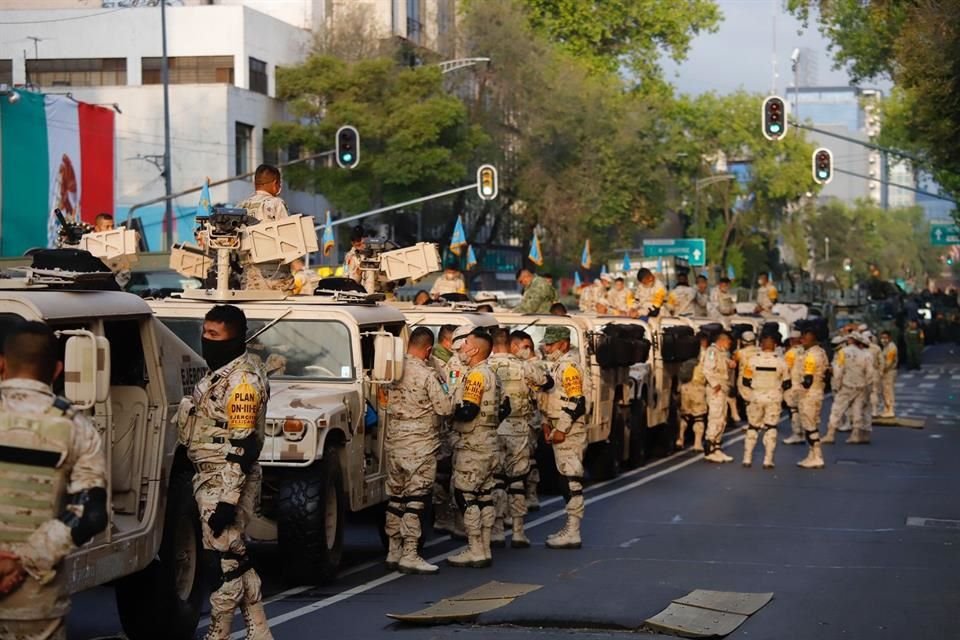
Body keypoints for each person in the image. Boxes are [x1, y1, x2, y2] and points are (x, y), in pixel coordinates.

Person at [0, 322, 108, 640]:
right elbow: (90, 514)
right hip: (35, 603)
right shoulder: (76, 427)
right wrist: (21, 564)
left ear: (2, 363)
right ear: (58, 369)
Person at [174, 305, 273, 640]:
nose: (206, 340)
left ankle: (218, 633)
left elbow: (242, 448)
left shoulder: (242, 382)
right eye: (204, 332)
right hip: (208, 476)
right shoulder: (219, 374)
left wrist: (227, 502)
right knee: (235, 557)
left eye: (215, 334)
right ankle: (259, 630)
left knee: (226, 565)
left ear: (236, 337)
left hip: (225, 479)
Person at [384, 327, 453, 574]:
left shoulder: (391, 370)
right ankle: (410, 553)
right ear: (428, 350)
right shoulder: (427, 375)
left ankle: (393, 550)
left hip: (394, 442)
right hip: (421, 445)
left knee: (395, 499)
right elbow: (445, 408)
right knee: (416, 500)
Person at [487, 329, 551, 549]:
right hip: (518, 429)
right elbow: (546, 382)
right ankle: (517, 531)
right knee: (516, 481)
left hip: (492, 430)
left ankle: (495, 531)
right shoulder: (523, 367)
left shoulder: (486, 367)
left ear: (492, 344)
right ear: (510, 344)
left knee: (495, 479)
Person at [447, 331, 505, 568]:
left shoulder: (476, 376)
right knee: (485, 496)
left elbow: (469, 410)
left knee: (464, 494)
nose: (462, 346)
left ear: (475, 350)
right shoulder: (493, 375)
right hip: (491, 443)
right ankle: (485, 546)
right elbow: (505, 409)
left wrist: (448, 412)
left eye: (467, 343)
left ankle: (475, 548)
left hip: (473, 444)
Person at [540, 326, 588, 549]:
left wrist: (561, 428)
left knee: (571, 479)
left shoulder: (568, 367)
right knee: (564, 478)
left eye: (550, 344)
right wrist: (548, 424)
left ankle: (574, 530)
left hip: (569, 432)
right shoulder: (559, 365)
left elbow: (577, 400)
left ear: (563, 344)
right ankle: (569, 527)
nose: (546, 348)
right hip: (559, 427)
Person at [236, 164, 294, 294]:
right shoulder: (276, 203)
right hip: (275, 275)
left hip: (249, 275)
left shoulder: (240, 206)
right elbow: (290, 239)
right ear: (275, 183)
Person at [740, 333, 790, 469]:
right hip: (774, 397)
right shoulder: (781, 361)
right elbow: (787, 383)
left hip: (756, 396)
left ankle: (747, 458)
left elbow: (745, 380)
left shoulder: (752, 360)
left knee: (752, 427)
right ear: (775, 345)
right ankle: (768, 460)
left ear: (761, 345)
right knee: (771, 427)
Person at [511, 331, 546, 511]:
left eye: (529, 348)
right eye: (524, 347)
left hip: (531, 418)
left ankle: (531, 493)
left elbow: (543, 384)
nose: (527, 351)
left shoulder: (534, 365)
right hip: (514, 419)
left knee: (530, 458)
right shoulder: (513, 364)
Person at [823, 333, 872, 445]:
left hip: (847, 385)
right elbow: (869, 373)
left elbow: (839, 370)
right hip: (861, 385)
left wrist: (837, 384)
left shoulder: (843, 352)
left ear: (850, 340)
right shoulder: (866, 354)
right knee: (857, 410)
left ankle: (830, 434)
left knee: (837, 410)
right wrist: (867, 385)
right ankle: (855, 435)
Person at [796, 328, 829, 469]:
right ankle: (811, 454)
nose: (802, 339)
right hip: (817, 391)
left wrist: (800, 387)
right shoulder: (821, 352)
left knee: (809, 426)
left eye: (805, 337)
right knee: (812, 423)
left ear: (813, 339)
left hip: (809, 394)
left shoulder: (810, 355)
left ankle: (817, 455)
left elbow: (807, 379)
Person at [703, 331, 736, 463]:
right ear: (722, 340)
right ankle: (709, 449)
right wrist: (714, 384)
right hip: (715, 390)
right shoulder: (711, 351)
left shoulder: (720, 352)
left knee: (722, 418)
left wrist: (730, 363)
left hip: (723, 389)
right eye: (728, 342)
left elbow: (722, 363)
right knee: (715, 417)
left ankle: (717, 448)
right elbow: (707, 369)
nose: (729, 345)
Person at [678, 332, 709, 451]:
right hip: (698, 387)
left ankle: (680, 439)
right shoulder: (706, 354)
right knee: (698, 417)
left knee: (685, 415)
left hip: (685, 387)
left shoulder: (687, 351)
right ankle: (697, 443)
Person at [782, 330, 807, 444]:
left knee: (794, 410)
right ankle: (803, 432)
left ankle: (797, 433)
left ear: (791, 340)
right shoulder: (807, 351)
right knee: (803, 410)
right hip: (805, 385)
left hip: (793, 384)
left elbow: (785, 368)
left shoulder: (791, 353)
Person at [734, 331, 760, 425]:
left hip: (744, 379)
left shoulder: (740, 353)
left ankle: (752, 423)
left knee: (748, 402)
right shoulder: (760, 351)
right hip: (758, 379)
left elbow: (733, 363)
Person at [879, 330, 898, 417]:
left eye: (885, 338)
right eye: (882, 338)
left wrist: (881, 369)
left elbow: (889, 362)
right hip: (885, 372)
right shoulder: (885, 347)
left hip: (890, 371)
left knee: (889, 391)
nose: (883, 340)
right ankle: (886, 408)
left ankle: (891, 410)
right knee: (885, 391)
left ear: (889, 338)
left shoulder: (892, 347)